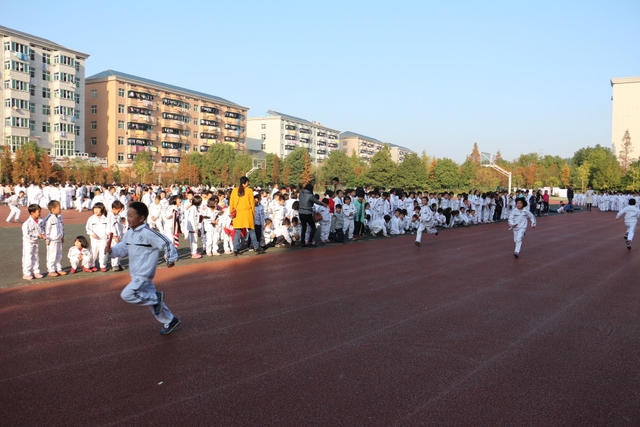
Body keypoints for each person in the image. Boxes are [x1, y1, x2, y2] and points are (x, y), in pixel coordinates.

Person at [107, 201, 180, 335]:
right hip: (135, 273)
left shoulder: (148, 233)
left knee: (127, 295)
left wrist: (170, 259)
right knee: (152, 303)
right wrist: (112, 251)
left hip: (144, 274)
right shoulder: (129, 233)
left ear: (141, 218)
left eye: (131, 216)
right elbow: (122, 248)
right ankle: (170, 320)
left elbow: (167, 243)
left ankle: (156, 298)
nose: (128, 219)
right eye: (127, 216)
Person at [228, 176, 264, 255]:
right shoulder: (249, 191)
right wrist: (253, 214)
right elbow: (252, 204)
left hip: (238, 214)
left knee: (237, 232)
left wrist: (231, 211)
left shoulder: (234, 190)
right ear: (246, 182)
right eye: (247, 182)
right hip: (247, 213)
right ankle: (256, 247)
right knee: (252, 231)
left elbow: (231, 202)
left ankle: (235, 249)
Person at [22, 204, 45, 280]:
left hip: (36, 242)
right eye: (38, 212)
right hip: (28, 242)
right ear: (32, 213)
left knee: (36, 256)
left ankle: (36, 271)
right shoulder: (27, 223)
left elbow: (42, 229)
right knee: (28, 257)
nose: (40, 213)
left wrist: (43, 234)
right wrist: (38, 236)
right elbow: (27, 235)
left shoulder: (41, 221)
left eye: (40, 211)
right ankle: (26, 273)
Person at [44, 200, 66, 277]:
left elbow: (62, 227)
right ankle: (51, 270)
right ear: (53, 209)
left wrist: (62, 236)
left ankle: (58, 269)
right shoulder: (49, 219)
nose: (60, 209)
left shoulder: (59, 217)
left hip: (59, 239)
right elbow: (47, 230)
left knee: (59, 255)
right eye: (59, 208)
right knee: (52, 255)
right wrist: (47, 239)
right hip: (52, 240)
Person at [86, 202, 110, 271]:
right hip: (94, 240)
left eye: (98, 209)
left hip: (103, 239)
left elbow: (108, 228)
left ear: (102, 209)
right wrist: (92, 233)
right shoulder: (91, 218)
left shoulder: (106, 218)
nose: (96, 210)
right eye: (94, 209)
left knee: (103, 253)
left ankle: (103, 266)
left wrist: (108, 234)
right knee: (93, 253)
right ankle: (91, 265)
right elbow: (88, 228)